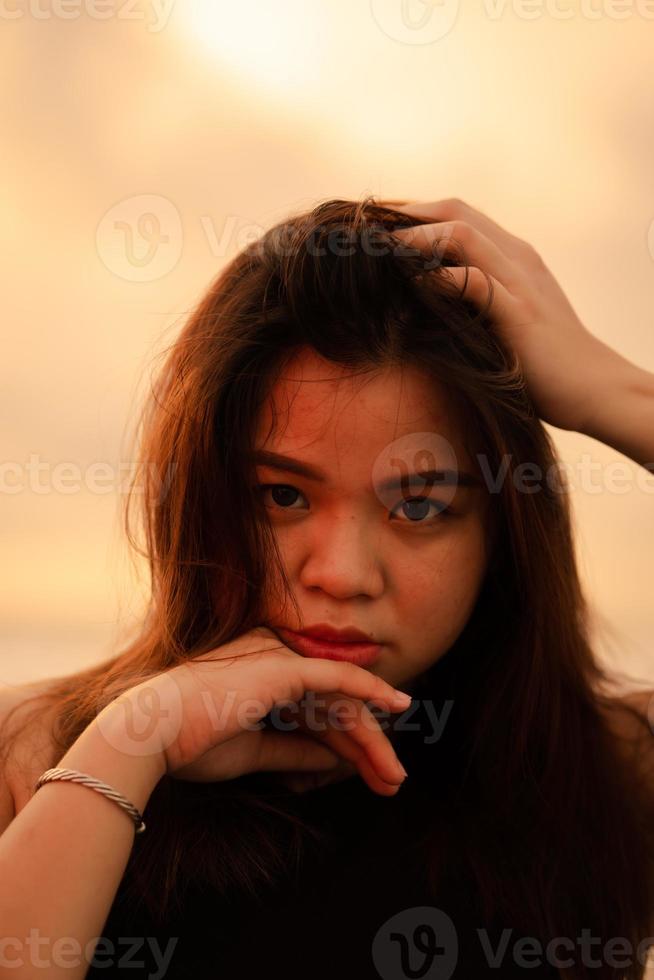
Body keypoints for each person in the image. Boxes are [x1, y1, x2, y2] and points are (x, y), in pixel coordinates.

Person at [0, 196, 653, 979]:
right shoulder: (36, 749)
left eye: (418, 504)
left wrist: (620, 398)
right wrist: (130, 745)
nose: (341, 574)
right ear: (203, 501)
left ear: (502, 533)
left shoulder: (611, 769)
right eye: (283, 496)